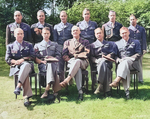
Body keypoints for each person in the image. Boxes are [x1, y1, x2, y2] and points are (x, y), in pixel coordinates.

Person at [5, 28, 35, 106]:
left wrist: (22, 60)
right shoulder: (10, 46)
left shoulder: (29, 45)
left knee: (26, 65)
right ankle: (26, 98)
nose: (20, 35)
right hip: (16, 68)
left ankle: (18, 86)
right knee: (25, 74)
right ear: (14, 35)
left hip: (28, 67)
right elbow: (7, 59)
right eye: (18, 34)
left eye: (21, 34)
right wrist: (15, 62)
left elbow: (32, 56)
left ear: (23, 35)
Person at [109, 27, 141, 99]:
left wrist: (129, 58)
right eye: (122, 33)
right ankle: (127, 92)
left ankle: (117, 80)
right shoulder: (116, 44)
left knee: (125, 61)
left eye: (125, 33)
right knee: (124, 64)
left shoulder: (136, 42)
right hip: (121, 64)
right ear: (120, 35)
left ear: (129, 33)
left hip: (133, 63)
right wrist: (118, 60)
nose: (124, 34)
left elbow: (138, 54)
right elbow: (114, 55)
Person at [59, 26, 90, 100]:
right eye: (73, 31)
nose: (75, 32)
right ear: (71, 33)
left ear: (80, 32)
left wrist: (77, 56)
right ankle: (80, 92)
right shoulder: (67, 42)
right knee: (77, 69)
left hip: (83, 61)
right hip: (71, 62)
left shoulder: (85, 42)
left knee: (78, 61)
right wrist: (70, 60)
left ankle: (67, 79)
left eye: (76, 30)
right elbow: (64, 54)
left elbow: (87, 52)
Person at [34, 27, 61, 98]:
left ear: (50, 34)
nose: (46, 35)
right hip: (43, 65)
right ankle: (55, 91)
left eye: (47, 33)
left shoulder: (55, 44)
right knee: (50, 66)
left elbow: (58, 55)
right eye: (44, 33)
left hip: (53, 63)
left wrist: (53, 58)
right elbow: (35, 57)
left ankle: (47, 89)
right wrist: (41, 61)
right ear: (42, 34)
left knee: (51, 65)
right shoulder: (37, 45)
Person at [90, 28, 119, 94]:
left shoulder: (110, 44)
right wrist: (97, 61)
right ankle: (107, 90)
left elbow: (114, 53)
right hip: (97, 64)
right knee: (103, 64)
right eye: (97, 33)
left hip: (108, 62)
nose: (99, 34)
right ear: (95, 35)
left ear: (103, 34)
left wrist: (110, 56)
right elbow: (91, 57)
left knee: (104, 63)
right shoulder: (92, 45)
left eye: (100, 33)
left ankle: (100, 85)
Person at [53, 11, 73, 82]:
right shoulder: (56, 27)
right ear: (60, 17)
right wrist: (57, 49)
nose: (63, 17)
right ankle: (61, 81)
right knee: (60, 64)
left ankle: (69, 81)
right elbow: (55, 39)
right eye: (62, 16)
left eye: (64, 16)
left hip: (69, 48)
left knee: (69, 64)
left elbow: (72, 38)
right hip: (60, 47)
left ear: (66, 16)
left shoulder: (71, 26)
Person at [128, 14, 147, 84]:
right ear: (129, 20)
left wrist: (144, 49)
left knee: (139, 64)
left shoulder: (141, 29)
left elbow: (144, 39)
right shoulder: (128, 29)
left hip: (140, 49)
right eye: (131, 19)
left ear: (136, 20)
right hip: (131, 49)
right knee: (130, 63)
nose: (132, 21)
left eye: (133, 19)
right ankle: (130, 80)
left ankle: (140, 79)